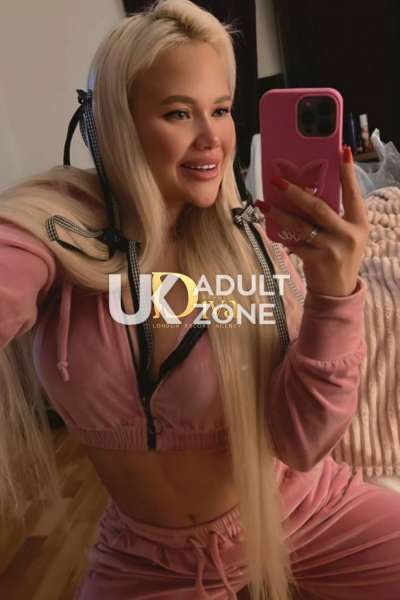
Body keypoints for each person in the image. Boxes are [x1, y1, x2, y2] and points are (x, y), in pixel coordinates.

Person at [0, 0, 399, 598]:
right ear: (115, 122)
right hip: (146, 559)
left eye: (220, 110)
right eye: (179, 112)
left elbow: (303, 442)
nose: (212, 138)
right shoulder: (59, 230)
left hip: (309, 516)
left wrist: (333, 294)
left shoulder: (258, 249)